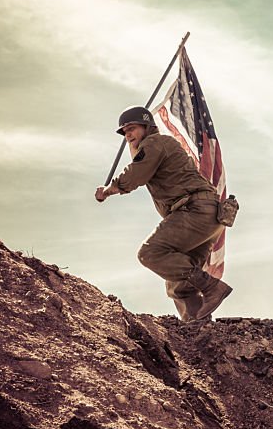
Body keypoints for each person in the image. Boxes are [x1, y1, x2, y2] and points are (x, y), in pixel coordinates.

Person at [95, 106, 231, 322]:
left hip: (195, 210)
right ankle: (198, 327)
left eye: (132, 129)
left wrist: (109, 190)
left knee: (150, 253)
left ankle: (212, 287)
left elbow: (135, 175)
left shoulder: (154, 143)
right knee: (178, 281)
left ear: (147, 126)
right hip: (209, 215)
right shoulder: (158, 145)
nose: (128, 135)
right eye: (124, 132)